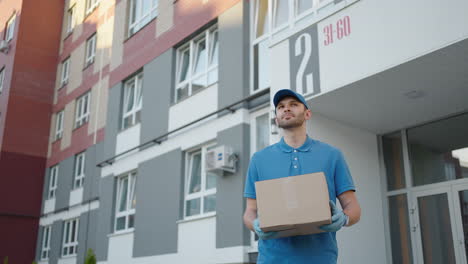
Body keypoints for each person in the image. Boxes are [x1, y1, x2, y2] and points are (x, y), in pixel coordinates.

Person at [243, 89, 361, 264]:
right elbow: (250, 211)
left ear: (307, 113)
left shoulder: (331, 155)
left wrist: (344, 219)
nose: (286, 109)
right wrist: (255, 225)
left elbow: (353, 207)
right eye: (281, 106)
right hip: (272, 259)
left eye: (293, 104)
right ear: (276, 119)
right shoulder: (259, 160)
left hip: (321, 258)